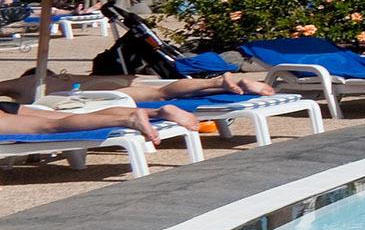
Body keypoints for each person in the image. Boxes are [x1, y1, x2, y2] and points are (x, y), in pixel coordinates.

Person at [0, 66, 273, 145]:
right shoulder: (58, 80)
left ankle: (130, 119)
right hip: (104, 91)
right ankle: (149, 113)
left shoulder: (20, 85)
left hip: (87, 95)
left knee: (49, 126)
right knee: (162, 93)